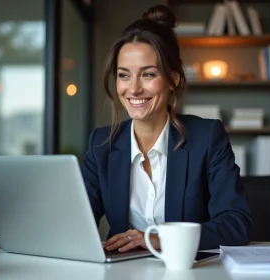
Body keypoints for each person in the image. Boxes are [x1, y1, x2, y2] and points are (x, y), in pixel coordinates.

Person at [81, 4, 254, 252]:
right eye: (124, 75)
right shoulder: (101, 144)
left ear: (173, 79)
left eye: (148, 74)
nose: (134, 89)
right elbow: (78, 221)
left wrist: (159, 238)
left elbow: (237, 224)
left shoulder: (206, 137)